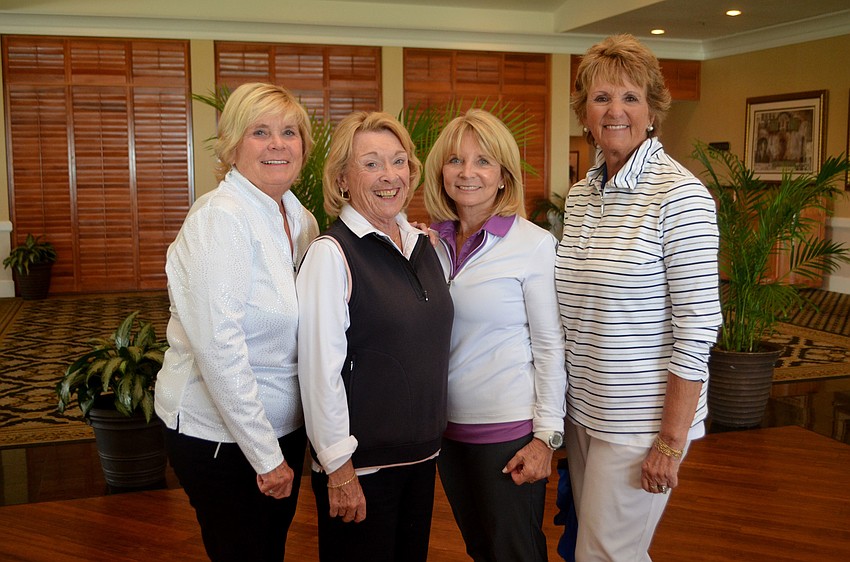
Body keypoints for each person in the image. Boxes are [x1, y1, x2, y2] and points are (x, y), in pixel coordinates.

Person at [555, 34, 722, 561]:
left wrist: (669, 442)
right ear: (584, 112)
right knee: (609, 551)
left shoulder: (681, 196)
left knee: (602, 556)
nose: (615, 111)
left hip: (640, 423)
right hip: (585, 410)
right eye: (601, 98)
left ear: (652, 111)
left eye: (630, 97)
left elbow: (697, 329)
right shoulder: (582, 194)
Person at [154, 82, 319, 562]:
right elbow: (219, 349)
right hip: (223, 437)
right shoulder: (221, 218)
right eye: (259, 132)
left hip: (283, 427)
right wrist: (265, 456)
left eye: (289, 132)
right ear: (231, 145)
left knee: (269, 549)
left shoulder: (299, 219)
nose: (277, 144)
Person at [296, 111, 454, 562]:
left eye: (398, 161)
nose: (389, 175)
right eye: (371, 164)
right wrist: (339, 467)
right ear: (342, 179)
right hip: (361, 469)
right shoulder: (331, 254)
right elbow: (319, 373)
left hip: (421, 459)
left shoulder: (426, 247)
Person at [423, 108, 567, 561]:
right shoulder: (427, 245)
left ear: (504, 176)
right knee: (481, 550)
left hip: (508, 434)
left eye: (483, 161)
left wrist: (546, 438)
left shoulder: (533, 244)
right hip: (446, 433)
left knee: (515, 553)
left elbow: (550, 347)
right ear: (440, 171)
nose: (467, 172)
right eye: (455, 160)